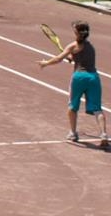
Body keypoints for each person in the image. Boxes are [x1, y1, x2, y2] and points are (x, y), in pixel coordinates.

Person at [39, 20, 109, 148]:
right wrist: (71, 58)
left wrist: (46, 63)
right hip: (93, 78)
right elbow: (80, 58)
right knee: (98, 109)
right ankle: (104, 134)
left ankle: (73, 133)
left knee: (72, 106)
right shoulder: (90, 47)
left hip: (79, 78)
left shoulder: (72, 46)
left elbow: (58, 59)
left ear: (77, 33)